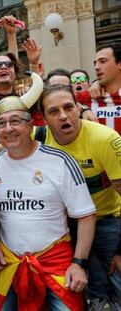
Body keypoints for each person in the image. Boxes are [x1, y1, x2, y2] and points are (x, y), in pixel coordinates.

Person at [0, 94, 96, 310]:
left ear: (31, 125)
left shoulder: (60, 161)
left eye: (15, 121)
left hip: (56, 263)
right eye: (1, 123)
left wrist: (79, 264)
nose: (8, 129)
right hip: (8, 264)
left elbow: (86, 215)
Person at [37, 84, 121, 310]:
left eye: (68, 107)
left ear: (78, 108)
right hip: (66, 226)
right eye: (54, 112)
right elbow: (5, 144)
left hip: (107, 222)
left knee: (114, 284)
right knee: (82, 290)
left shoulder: (106, 140)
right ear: (44, 119)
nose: (63, 116)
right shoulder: (39, 137)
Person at [76, 43, 121, 134]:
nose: (96, 67)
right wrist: (83, 109)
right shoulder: (87, 97)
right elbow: (55, 97)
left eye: (103, 61)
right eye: (95, 63)